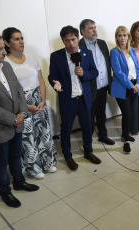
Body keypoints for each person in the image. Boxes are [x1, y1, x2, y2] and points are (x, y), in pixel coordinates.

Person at [0, 32, 39, 208]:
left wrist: (21, 111)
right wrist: (13, 118)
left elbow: (18, 90)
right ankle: (5, 191)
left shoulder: (5, 66)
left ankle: (19, 182)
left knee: (15, 155)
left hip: (16, 122)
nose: (4, 52)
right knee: (1, 162)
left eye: (4, 48)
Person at [2, 27, 57, 180]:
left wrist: (42, 101)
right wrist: (26, 106)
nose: (21, 42)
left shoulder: (32, 58)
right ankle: (33, 168)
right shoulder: (5, 63)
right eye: (16, 39)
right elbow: (9, 90)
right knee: (28, 137)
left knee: (43, 133)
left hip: (38, 101)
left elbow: (40, 80)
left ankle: (48, 162)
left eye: (22, 38)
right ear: (6, 42)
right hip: (21, 104)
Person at [48, 26, 100, 171]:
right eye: (67, 40)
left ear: (78, 38)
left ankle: (88, 152)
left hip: (84, 99)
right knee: (66, 129)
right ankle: (68, 156)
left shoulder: (86, 53)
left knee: (87, 127)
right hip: (68, 99)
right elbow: (52, 76)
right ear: (63, 41)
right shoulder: (56, 56)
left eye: (73, 39)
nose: (71, 43)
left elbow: (95, 71)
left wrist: (84, 73)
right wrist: (55, 83)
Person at [78, 19, 115, 146]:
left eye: (95, 27)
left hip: (103, 87)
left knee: (101, 114)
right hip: (89, 88)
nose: (94, 30)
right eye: (91, 28)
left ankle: (103, 136)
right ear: (83, 31)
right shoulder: (79, 46)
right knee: (88, 117)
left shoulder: (102, 43)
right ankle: (87, 142)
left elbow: (107, 64)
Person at [110, 26, 139, 154]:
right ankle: (126, 140)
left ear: (128, 36)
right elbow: (118, 72)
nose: (122, 38)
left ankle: (125, 134)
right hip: (123, 87)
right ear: (116, 37)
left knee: (131, 113)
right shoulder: (115, 51)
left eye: (124, 35)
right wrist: (131, 86)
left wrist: (138, 83)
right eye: (119, 35)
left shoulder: (132, 50)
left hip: (134, 86)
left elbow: (138, 68)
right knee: (126, 113)